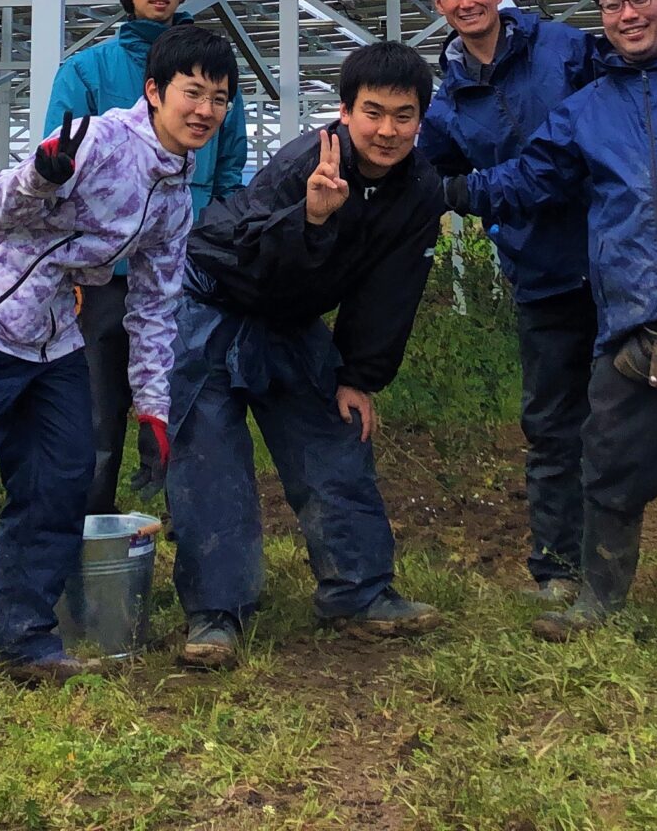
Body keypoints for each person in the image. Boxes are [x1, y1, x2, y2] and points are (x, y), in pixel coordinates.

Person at [0, 22, 238, 710]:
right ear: (155, 91)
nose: (205, 110)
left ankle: (25, 639)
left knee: (61, 477)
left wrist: (153, 403)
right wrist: (39, 178)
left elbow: (155, 303)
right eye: (193, 92)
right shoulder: (99, 141)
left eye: (219, 98)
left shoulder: (175, 188)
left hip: (51, 334)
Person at [419, 0, 657, 614]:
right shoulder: (456, 101)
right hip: (551, 274)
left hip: (646, 277)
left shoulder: (571, 52)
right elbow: (514, 172)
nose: (468, 2)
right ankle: (566, 570)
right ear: (438, 5)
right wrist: (447, 193)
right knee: (568, 431)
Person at [168, 42, 448, 670]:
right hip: (218, 302)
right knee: (210, 456)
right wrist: (313, 217)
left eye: (403, 116)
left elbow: (391, 290)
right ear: (345, 113)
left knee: (334, 440)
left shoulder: (420, 189)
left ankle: (359, 591)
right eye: (372, 112)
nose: (386, 130)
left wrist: (358, 375)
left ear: (420, 121)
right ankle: (216, 616)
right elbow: (249, 253)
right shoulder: (308, 162)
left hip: (292, 320)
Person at [44, 0, 250, 513]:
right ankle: (91, 530)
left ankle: (184, 518)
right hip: (102, 271)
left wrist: (208, 235)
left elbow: (230, 165)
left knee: (185, 392)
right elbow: (59, 165)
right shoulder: (88, 70)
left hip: (183, 261)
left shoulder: (212, 70)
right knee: (98, 404)